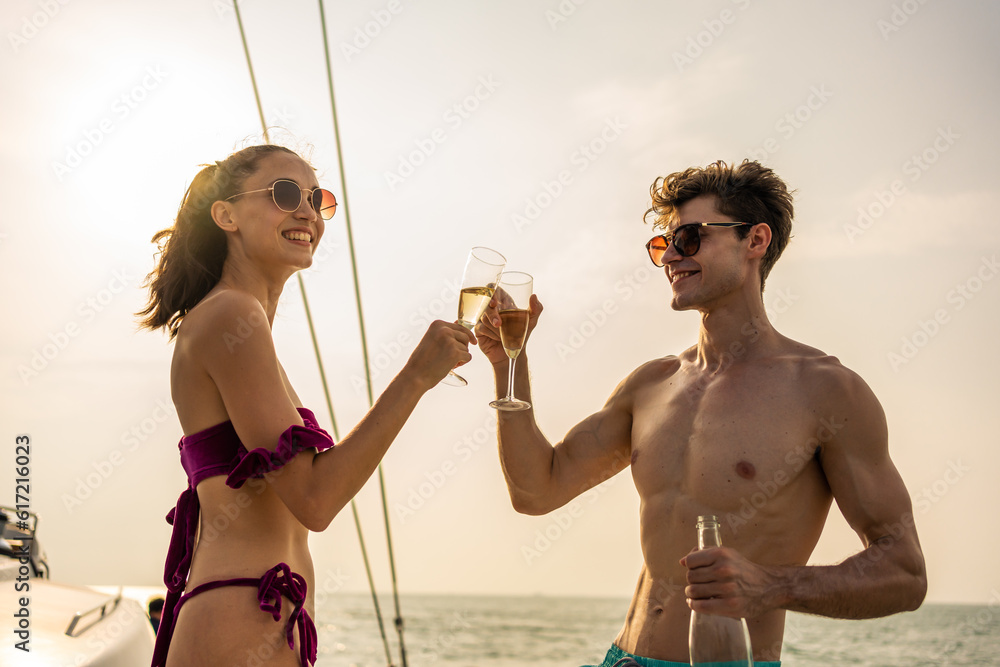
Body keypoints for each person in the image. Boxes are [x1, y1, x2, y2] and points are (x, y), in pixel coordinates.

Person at [475, 159, 927, 666]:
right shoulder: (652, 384)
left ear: (755, 241)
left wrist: (771, 585)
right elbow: (538, 490)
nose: (671, 256)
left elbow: (904, 572)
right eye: (663, 244)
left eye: (690, 238)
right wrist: (507, 362)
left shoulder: (825, 390)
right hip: (621, 659)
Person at [138, 144, 475, 666]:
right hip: (238, 621)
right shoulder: (231, 315)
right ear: (226, 214)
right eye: (285, 194)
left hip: (256, 620)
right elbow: (314, 497)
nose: (308, 212)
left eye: (317, 198)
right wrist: (416, 377)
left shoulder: (239, 323)